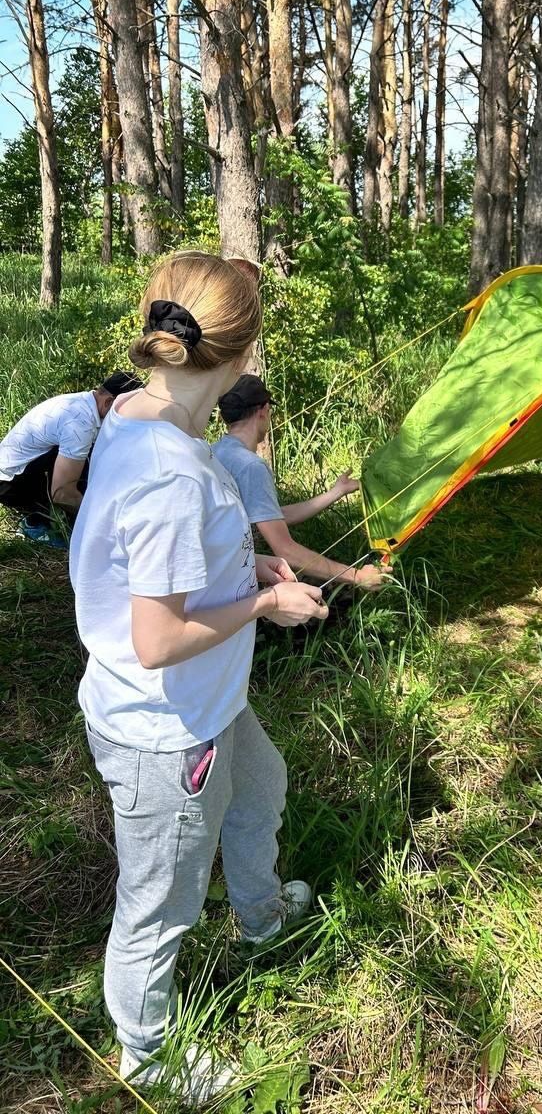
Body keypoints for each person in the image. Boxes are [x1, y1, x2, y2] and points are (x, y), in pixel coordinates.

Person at [70, 252, 328, 1103]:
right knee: (160, 902)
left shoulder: (142, 415)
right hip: (163, 722)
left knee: (262, 788)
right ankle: (150, 1056)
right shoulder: (174, 472)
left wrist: (246, 566)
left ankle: (259, 918)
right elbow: (156, 636)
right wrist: (263, 608)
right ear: (244, 355)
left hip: (207, 704)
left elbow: (155, 561)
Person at [212, 374, 387, 591]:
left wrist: (335, 492)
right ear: (264, 410)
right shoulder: (250, 466)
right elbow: (285, 550)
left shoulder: (217, 452)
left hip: (212, 579)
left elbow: (272, 517)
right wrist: (357, 576)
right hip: (228, 588)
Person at [0, 371, 142, 544]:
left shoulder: (83, 402)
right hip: (10, 482)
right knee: (79, 467)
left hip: (20, 470)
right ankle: (37, 522)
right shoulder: (79, 423)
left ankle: (49, 516)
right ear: (109, 402)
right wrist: (100, 523)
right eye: (128, 411)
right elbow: (61, 493)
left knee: (90, 456)